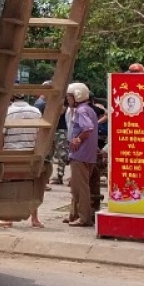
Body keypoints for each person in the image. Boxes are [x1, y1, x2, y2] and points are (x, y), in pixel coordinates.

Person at [0, 95, 48, 229]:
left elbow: (1, 135)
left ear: (11, 98)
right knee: (31, 185)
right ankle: (35, 219)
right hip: (30, 153)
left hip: (11, 153)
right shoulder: (36, 111)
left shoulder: (7, 112)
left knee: (8, 186)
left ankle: (7, 218)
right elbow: (40, 133)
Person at [64, 83, 99, 227]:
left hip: (80, 154)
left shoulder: (81, 111)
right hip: (88, 154)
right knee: (76, 185)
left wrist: (78, 138)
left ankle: (83, 218)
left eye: (69, 96)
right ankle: (74, 215)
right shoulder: (89, 109)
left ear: (76, 96)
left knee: (81, 187)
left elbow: (88, 127)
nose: (67, 99)